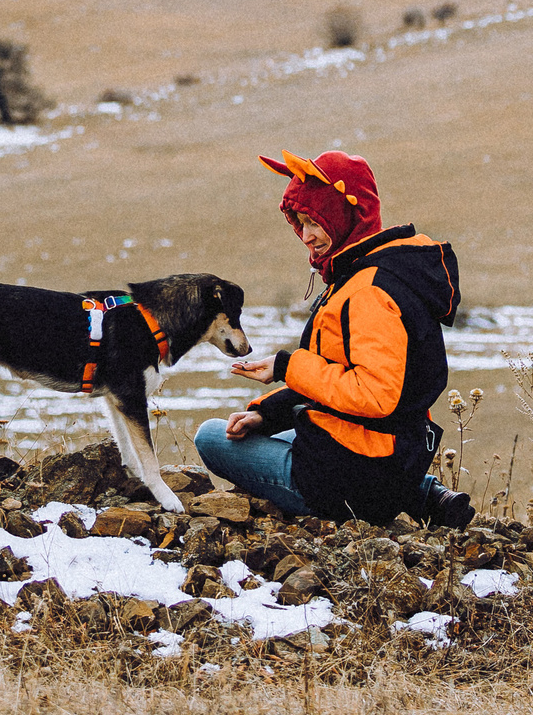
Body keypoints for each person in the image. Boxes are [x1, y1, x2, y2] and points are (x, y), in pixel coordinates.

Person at [193, 149, 474, 527]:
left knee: (211, 437)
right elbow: (339, 377)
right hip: (387, 455)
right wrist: (267, 413)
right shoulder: (374, 274)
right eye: (300, 222)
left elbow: (374, 395)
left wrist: (288, 366)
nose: (306, 236)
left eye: (314, 221)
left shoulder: (369, 292)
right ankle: (422, 492)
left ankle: (406, 494)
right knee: (286, 426)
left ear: (345, 216)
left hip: (354, 479)